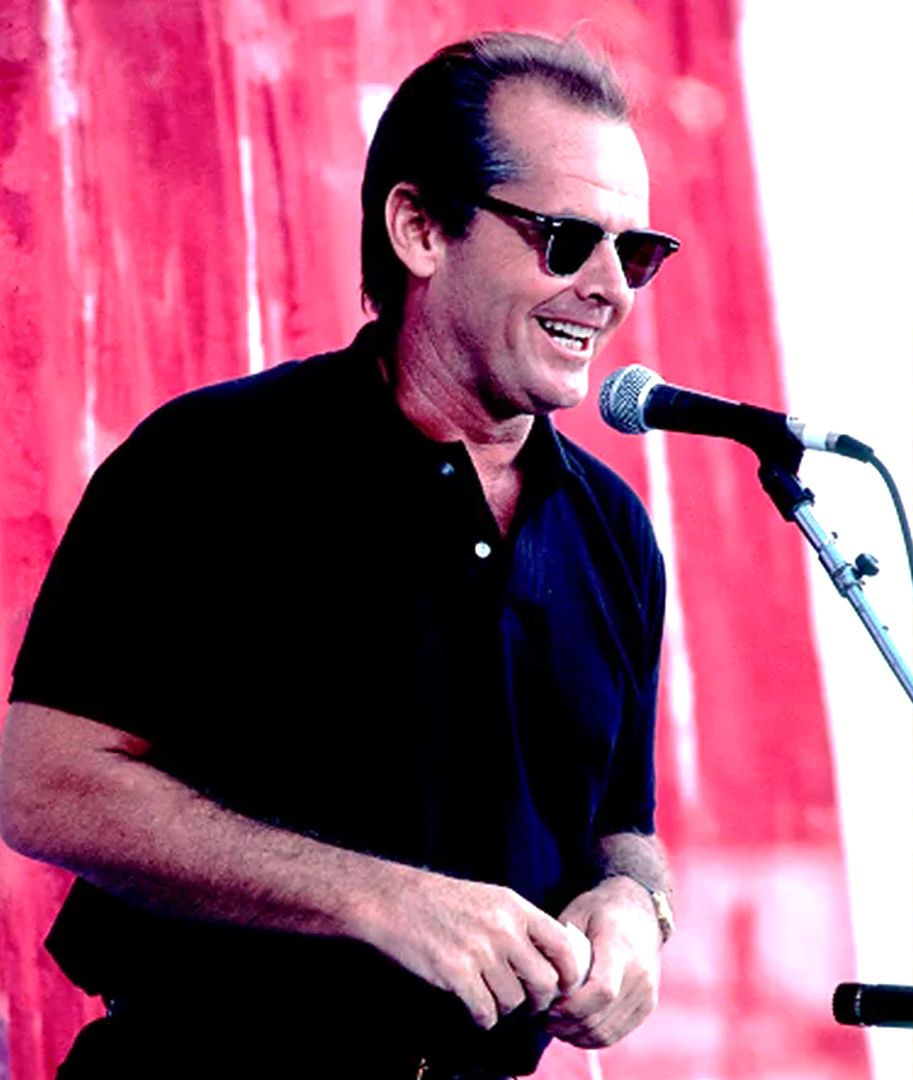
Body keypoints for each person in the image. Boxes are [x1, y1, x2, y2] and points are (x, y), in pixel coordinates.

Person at [0, 32, 680, 1080]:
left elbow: (619, 828)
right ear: (418, 229)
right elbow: (38, 783)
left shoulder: (614, 530)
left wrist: (636, 908)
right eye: (564, 240)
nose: (610, 289)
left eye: (634, 253)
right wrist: (376, 899)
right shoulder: (212, 461)